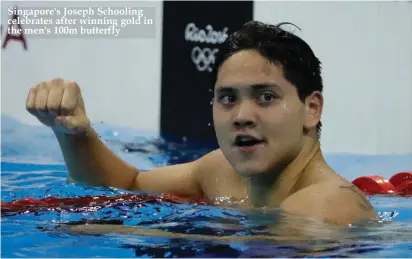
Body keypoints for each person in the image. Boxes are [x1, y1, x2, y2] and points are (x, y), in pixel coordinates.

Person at [25, 21, 378, 239]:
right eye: (227, 98)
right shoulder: (220, 173)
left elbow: (263, 250)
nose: (242, 115)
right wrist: (73, 134)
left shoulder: (329, 204)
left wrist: (117, 231)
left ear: (311, 108)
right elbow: (127, 184)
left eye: (265, 97)